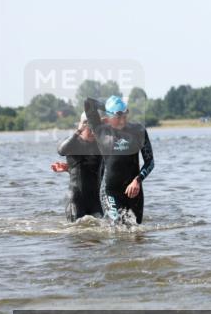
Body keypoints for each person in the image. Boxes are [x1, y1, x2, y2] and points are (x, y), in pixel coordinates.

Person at [84, 95, 154, 224]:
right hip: (110, 191)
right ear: (108, 117)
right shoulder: (100, 130)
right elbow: (88, 102)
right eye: (118, 117)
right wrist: (108, 107)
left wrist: (137, 181)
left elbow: (150, 162)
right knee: (115, 228)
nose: (122, 121)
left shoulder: (138, 131)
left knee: (136, 232)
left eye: (124, 116)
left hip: (134, 190)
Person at [53, 113, 104, 221]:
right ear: (82, 126)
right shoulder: (73, 142)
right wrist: (78, 131)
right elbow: (61, 150)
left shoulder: (99, 145)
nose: (93, 133)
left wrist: (69, 169)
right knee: (76, 233)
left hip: (95, 200)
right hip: (76, 199)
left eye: (95, 129)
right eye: (90, 129)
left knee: (100, 234)